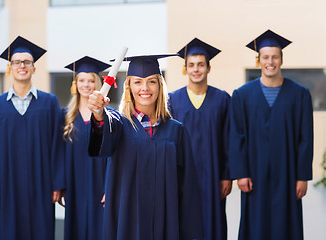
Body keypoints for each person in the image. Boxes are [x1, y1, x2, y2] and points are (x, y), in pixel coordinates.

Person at [87, 54, 203, 240]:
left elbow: (188, 189)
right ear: (129, 87)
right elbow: (103, 130)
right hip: (129, 222)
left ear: (160, 85)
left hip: (166, 224)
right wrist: (99, 113)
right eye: (138, 82)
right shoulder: (120, 125)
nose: (145, 88)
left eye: (151, 82)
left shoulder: (177, 131)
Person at [229, 29, 314, 240]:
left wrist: (302, 176)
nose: (270, 62)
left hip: (288, 173)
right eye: (265, 57)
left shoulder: (299, 94)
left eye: (275, 57)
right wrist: (241, 172)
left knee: (286, 225)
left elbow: (306, 138)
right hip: (254, 174)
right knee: (255, 226)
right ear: (258, 61)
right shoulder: (242, 95)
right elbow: (236, 135)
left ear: (282, 60)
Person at [0, 36, 64, 240]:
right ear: (10, 67)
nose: (22, 66)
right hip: (7, 185)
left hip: (41, 183)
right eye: (17, 62)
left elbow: (57, 146)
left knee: (41, 232)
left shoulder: (50, 103)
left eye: (27, 62)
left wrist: (57, 183)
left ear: (34, 68)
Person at [168, 38, 231, 240]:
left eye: (201, 65)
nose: (196, 69)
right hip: (182, 176)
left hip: (214, 176)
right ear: (185, 69)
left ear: (208, 68)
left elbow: (229, 140)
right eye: (191, 65)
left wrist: (227, 175)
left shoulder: (222, 99)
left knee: (213, 224)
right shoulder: (172, 100)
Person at [62, 55, 111, 240]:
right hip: (75, 183)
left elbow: (114, 155)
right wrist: (61, 184)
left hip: (100, 183)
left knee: (101, 228)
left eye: (91, 80)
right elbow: (59, 154)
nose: (86, 85)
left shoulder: (109, 116)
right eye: (81, 80)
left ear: (97, 83)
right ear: (75, 84)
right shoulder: (65, 117)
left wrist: (110, 186)